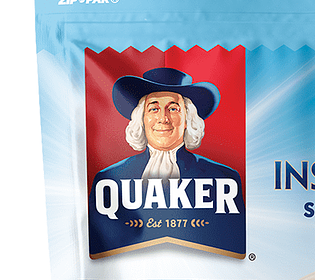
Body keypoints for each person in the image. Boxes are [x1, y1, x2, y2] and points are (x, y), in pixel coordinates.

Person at [88, 67, 245, 258]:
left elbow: (232, 243)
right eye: (153, 109)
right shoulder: (109, 180)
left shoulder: (223, 179)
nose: (163, 118)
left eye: (173, 109)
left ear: (187, 120)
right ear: (141, 119)